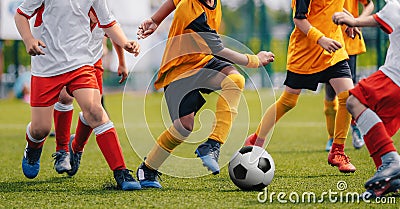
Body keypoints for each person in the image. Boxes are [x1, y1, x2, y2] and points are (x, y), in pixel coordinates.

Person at [136, 0, 275, 188]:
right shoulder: (189, 8)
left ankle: (212, 145)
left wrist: (155, 19)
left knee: (235, 80)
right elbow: (218, 49)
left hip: (204, 61)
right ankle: (148, 168)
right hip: (179, 70)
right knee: (184, 127)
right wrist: (254, 60)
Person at [15, 0, 141, 190]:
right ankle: (33, 148)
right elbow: (21, 14)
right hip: (46, 65)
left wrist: (125, 43)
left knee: (96, 112)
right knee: (40, 129)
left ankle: (121, 172)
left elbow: (108, 22)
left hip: (80, 63)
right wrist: (28, 39)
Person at [244, 0, 356, 173]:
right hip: (306, 52)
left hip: (333, 51)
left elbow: (333, 6)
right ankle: (255, 141)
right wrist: (321, 39)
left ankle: (337, 151)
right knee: (288, 101)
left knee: (348, 97)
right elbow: (299, 19)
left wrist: (350, 20)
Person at [333, 0, 400, 198]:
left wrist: (352, 21)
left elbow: (383, 19)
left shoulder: (395, 5)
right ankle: (388, 179)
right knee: (378, 127)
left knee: (355, 101)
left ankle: (390, 162)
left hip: (395, 76)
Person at [52, 10, 128, 176]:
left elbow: (113, 33)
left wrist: (122, 62)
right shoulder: (72, 11)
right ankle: (62, 151)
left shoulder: (105, 12)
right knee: (64, 97)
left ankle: (76, 148)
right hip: (71, 63)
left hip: (94, 66)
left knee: (94, 109)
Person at [324, 0, 374, 152]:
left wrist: (357, 21)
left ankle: (355, 128)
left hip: (349, 42)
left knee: (349, 91)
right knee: (330, 92)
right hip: (329, 40)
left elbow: (369, 4)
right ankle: (332, 137)